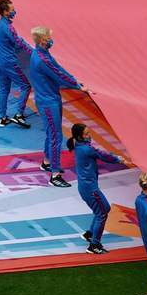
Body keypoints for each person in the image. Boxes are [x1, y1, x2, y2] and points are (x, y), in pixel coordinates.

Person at [27, 25, 86, 188]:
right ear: (41, 40)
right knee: (56, 136)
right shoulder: (42, 59)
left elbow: (58, 68)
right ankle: (55, 174)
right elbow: (58, 74)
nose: (50, 40)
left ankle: (46, 161)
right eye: (47, 38)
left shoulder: (40, 53)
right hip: (48, 102)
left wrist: (74, 80)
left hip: (49, 98)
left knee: (51, 133)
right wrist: (77, 85)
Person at [66, 123, 125, 255]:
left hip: (85, 187)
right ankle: (94, 245)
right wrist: (119, 159)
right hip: (90, 188)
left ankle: (90, 234)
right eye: (86, 134)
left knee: (104, 209)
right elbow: (104, 155)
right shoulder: (87, 149)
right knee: (102, 213)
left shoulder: (78, 145)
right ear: (80, 136)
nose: (89, 135)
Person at [0, 0, 32, 128]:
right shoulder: (8, 27)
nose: (14, 11)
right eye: (12, 10)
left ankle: (2, 118)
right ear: (5, 12)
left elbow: (13, 43)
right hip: (9, 63)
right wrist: (34, 52)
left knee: (4, 89)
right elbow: (19, 42)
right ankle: (19, 115)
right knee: (26, 86)